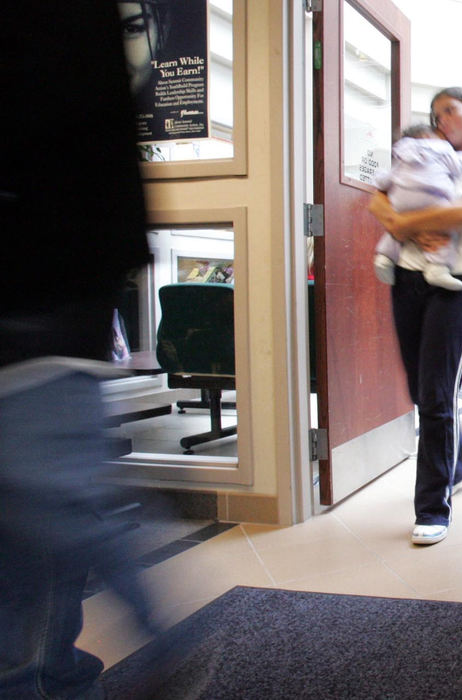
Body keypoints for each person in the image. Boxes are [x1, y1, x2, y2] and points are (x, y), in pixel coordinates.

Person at [1, 2, 156, 696]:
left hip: (39, 291)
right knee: (44, 520)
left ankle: (64, 668)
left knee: (40, 523)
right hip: (50, 292)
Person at [367, 87, 462, 546]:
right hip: (406, 279)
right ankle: (459, 458)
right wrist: (401, 219)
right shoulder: (418, 155)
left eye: (452, 109)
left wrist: (401, 223)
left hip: (456, 283)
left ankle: (431, 507)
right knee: (421, 391)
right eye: (436, 113)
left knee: (436, 394)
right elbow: (377, 200)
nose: (443, 118)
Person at [373, 123, 462, 292]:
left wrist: (381, 181)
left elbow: (385, 181)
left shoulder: (401, 155)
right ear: (428, 137)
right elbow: (459, 167)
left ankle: (384, 257)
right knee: (444, 230)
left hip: (401, 202)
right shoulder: (441, 150)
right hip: (432, 200)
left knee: (396, 227)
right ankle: (437, 268)